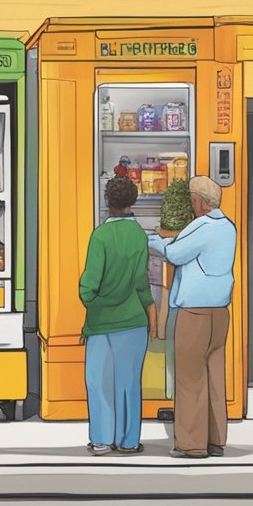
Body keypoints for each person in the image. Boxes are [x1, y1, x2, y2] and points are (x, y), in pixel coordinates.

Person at [148, 176, 236, 459]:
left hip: (194, 312)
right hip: (220, 313)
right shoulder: (227, 226)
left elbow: (175, 253)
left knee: (189, 378)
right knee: (213, 375)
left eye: (191, 198)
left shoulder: (202, 226)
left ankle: (191, 444)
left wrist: (152, 239)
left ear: (199, 201)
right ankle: (215, 439)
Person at [79, 177, 155, 456]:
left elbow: (89, 284)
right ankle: (128, 441)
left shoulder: (99, 236)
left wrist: (92, 303)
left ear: (108, 201)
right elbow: (141, 283)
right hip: (134, 320)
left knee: (98, 382)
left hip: (100, 323)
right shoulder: (138, 235)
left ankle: (101, 440)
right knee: (128, 383)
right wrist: (150, 310)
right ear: (132, 201)